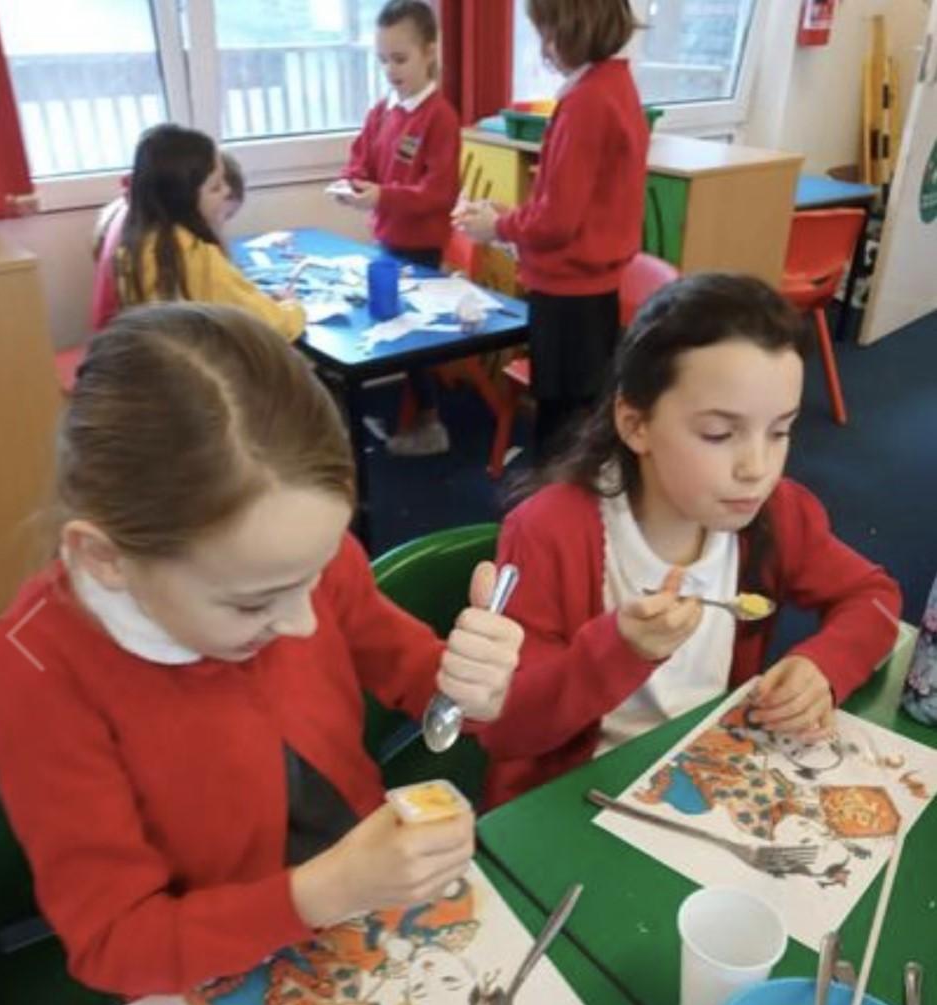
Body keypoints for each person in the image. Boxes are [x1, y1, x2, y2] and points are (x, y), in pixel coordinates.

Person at [0, 303, 523, 997]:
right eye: (252, 603)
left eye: (317, 572)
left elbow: (415, 673)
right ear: (106, 559)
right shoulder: (36, 673)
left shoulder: (286, 552)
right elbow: (116, 941)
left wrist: (470, 685)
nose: (301, 623)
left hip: (365, 885)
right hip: (213, 961)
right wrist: (324, 891)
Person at [479, 273, 902, 807]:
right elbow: (505, 727)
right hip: (570, 800)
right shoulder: (549, 532)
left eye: (780, 432)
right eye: (718, 434)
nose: (757, 468)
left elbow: (873, 597)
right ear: (636, 424)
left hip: (701, 779)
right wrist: (618, 651)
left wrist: (824, 665)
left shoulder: (778, 513)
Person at [455, 0, 649, 460]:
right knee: (580, 410)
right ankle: (569, 485)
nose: (543, 48)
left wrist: (498, 226)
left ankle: (555, 493)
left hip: (568, 292)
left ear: (575, 28)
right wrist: (510, 216)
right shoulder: (614, 85)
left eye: (547, 33)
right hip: (591, 286)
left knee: (560, 419)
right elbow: (573, 205)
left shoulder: (586, 102)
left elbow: (558, 222)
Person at [337, 0, 460, 457]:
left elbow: (438, 193)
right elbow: (361, 161)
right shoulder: (382, 112)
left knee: (411, 336)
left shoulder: (440, 117)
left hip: (422, 246)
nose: (390, 70)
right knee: (388, 323)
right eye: (383, 60)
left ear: (429, 52)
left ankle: (431, 421)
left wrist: (383, 196)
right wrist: (351, 184)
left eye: (400, 59)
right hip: (387, 238)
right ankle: (406, 412)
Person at [116, 124, 303, 341]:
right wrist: (293, 307)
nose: (226, 190)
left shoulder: (135, 244)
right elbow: (268, 327)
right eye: (215, 187)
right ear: (182, 198)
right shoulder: (195, 255)